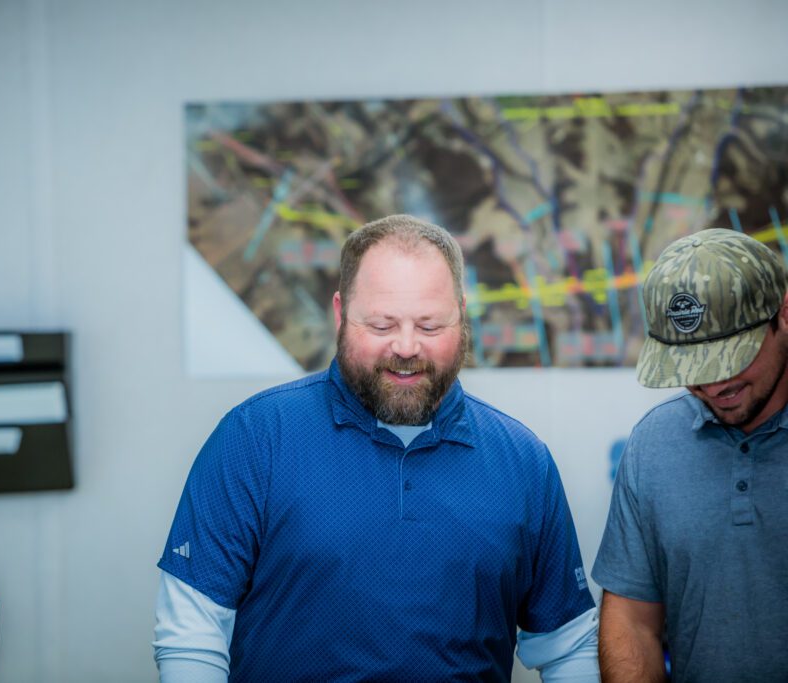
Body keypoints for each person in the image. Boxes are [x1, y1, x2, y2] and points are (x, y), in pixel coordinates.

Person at [154, 214, 599, 681]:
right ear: (341, 313)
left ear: (461, 315)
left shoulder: (524, 462)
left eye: (429, 326)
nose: (406, 347)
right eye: (383, 324)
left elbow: (567, 649)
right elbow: (193, 637)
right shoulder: (254, 439)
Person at [593, 228, 788, 682]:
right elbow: (632, 621)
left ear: (783, 313)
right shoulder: (653, 445)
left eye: (731, 357)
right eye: (693, 367)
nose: (713, 385)